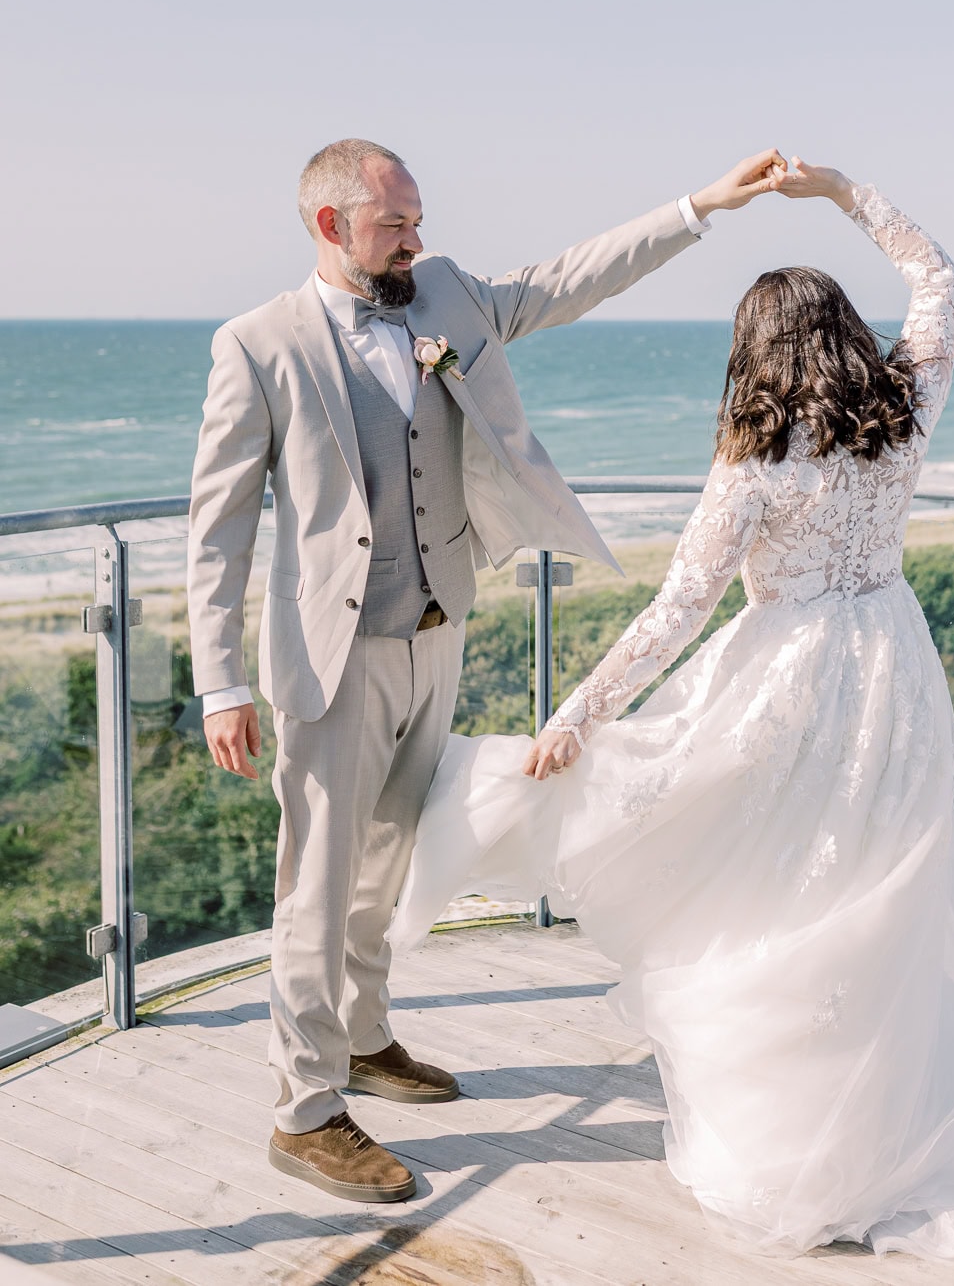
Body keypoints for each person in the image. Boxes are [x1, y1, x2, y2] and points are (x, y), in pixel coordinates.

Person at [390, 158, 954, 1277]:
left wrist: (577, 714)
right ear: (841, 336)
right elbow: (941, 278)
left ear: (754, 356)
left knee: (784, 902)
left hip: (787, 687)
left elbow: (678, 610)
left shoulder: (752, 468)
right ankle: (886, 1119)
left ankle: (813, 1151)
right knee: (881, 892)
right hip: (892, 670)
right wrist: (843, 193)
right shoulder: (905, 412)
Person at [186, 136, 787, 1203]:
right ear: (330, 226)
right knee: (315, 889)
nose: (418, 239)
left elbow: (567, 280)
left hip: (435, 632)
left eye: (418, 219)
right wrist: (221, 680)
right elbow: (218, 526)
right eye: (395, 225)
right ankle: (306, 1109)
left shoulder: (448, 298)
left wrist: (702, 206)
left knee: (386, 863)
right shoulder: (257, 345)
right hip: (330, 660)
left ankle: (365, 1039)